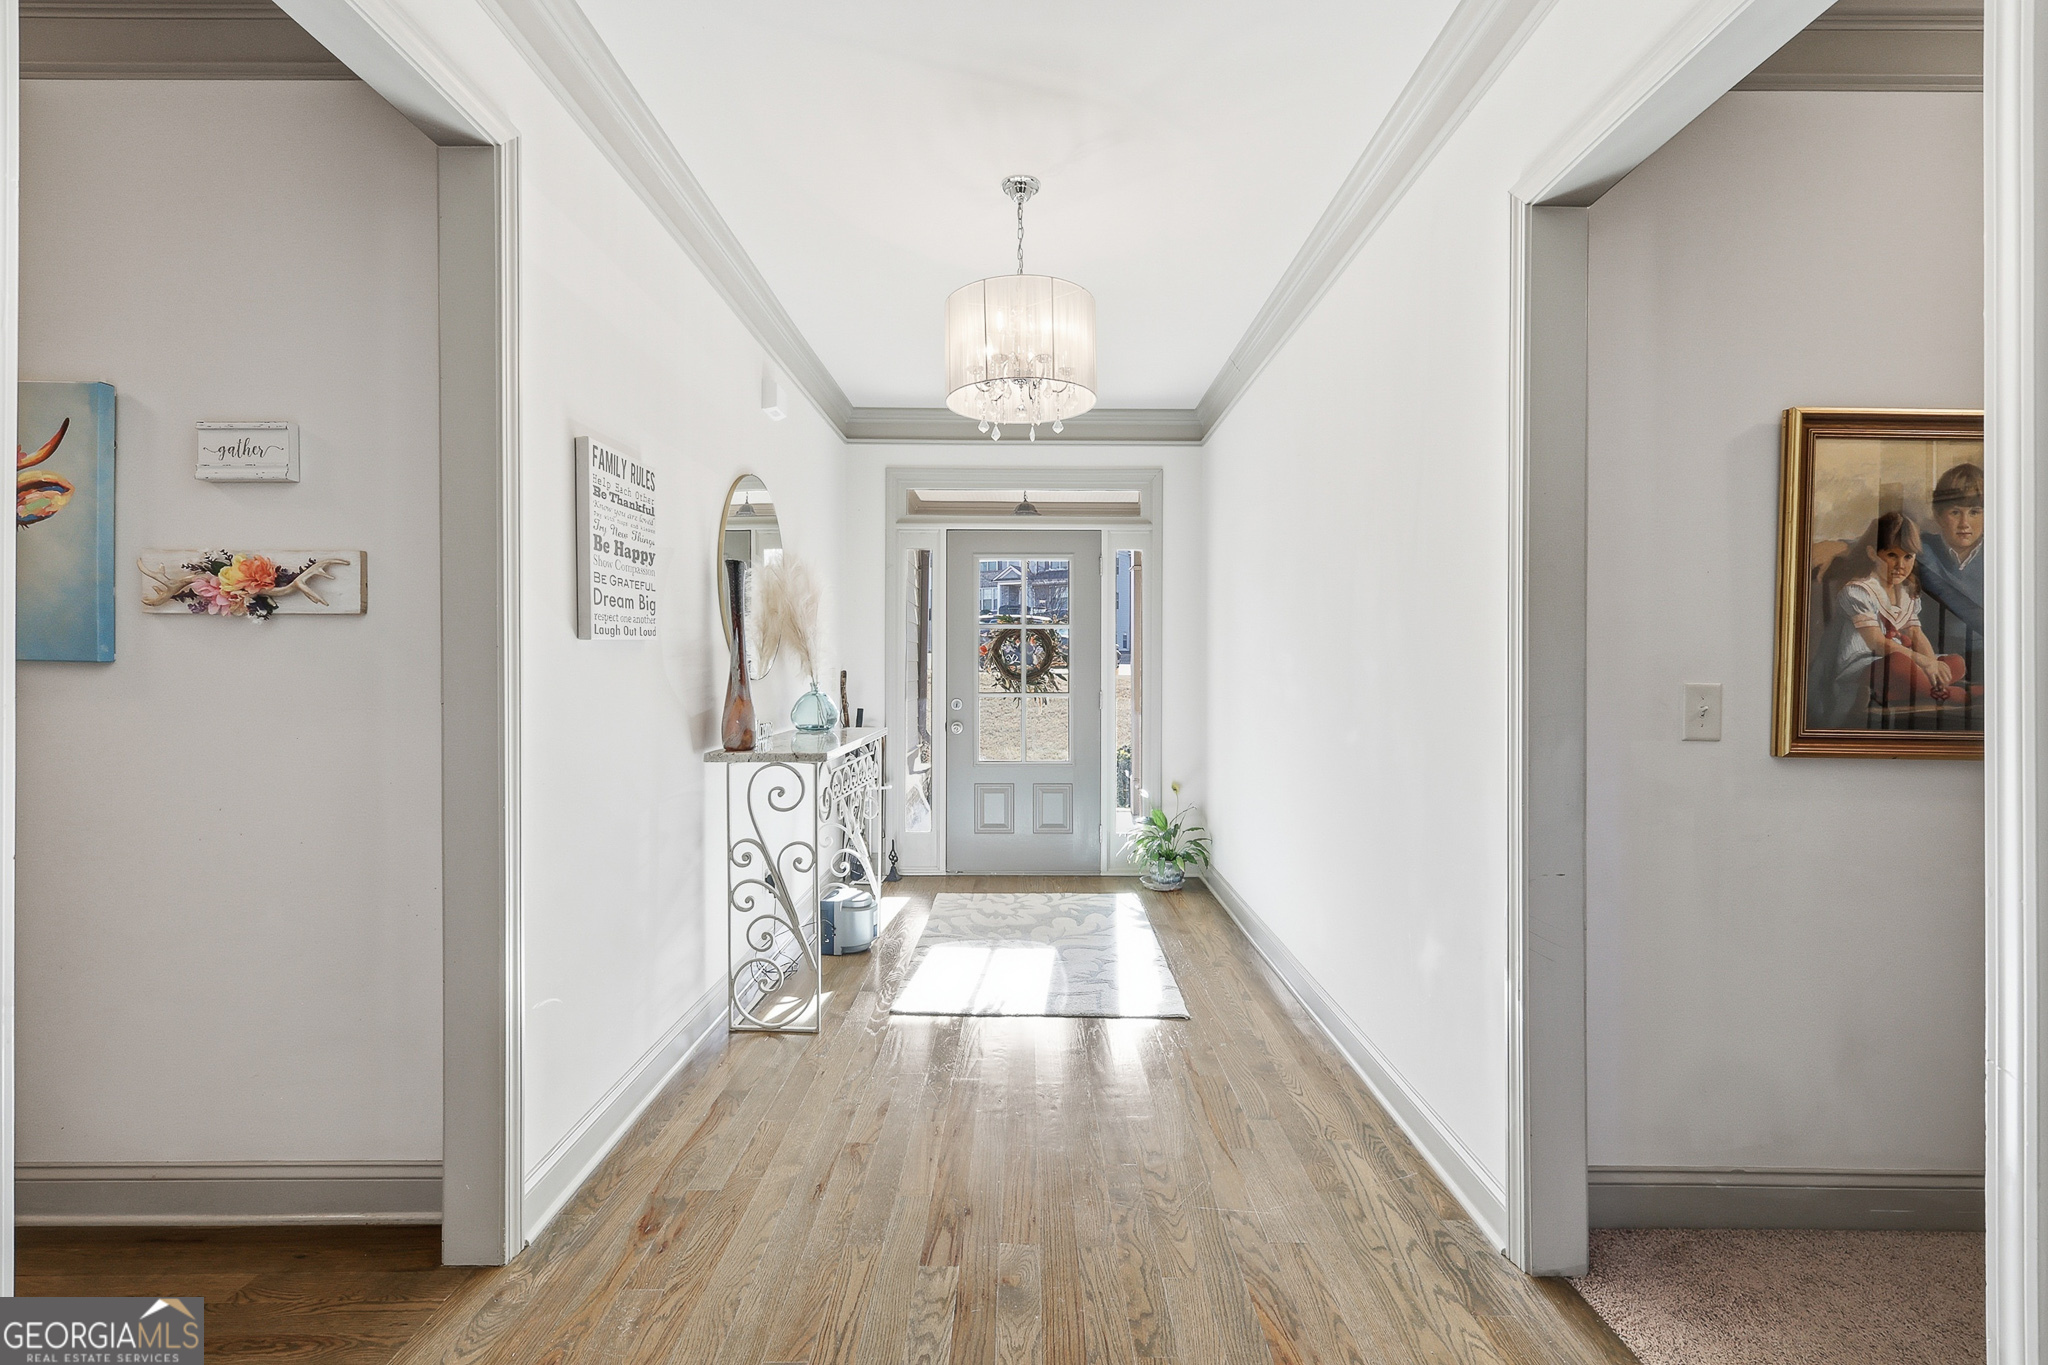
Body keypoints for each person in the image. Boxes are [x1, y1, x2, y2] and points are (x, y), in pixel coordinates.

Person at [1807, 510, 1976, 729]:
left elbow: (1915, 633)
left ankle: (1902, 690)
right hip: (1865, 664)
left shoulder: (1906, 592)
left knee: (1955, 663)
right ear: (1872, 554)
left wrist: (1931, 662)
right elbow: (1876, 643)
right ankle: (1945, 692)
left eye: (1908, 557)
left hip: (1900, 661)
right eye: (1892, 556)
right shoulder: (1859, 591)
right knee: (1898, 666)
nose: (1900, 566)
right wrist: (1923, 662)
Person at [1916, 462, 1984, 674]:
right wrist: (1843, 546)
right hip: (1936, 656)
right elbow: (1882, 542)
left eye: (1974, 512)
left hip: (1988, 654)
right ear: (1937, 515)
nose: (1964, 523)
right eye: (1955, 512)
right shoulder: (1922, 548)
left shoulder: (2003, 556)